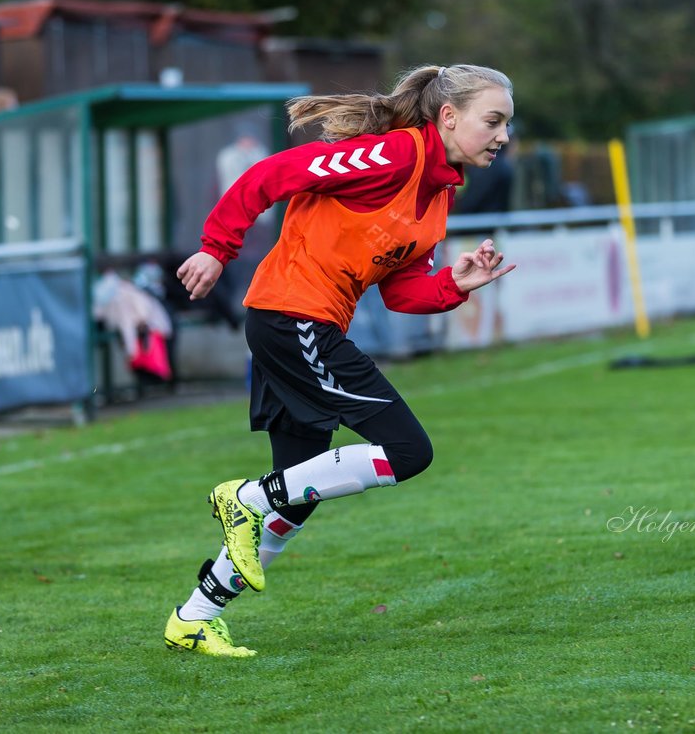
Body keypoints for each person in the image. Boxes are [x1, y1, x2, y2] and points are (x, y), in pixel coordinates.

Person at [164, 64, 516, 657]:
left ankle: (196, 617)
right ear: (449, 118)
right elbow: (273, 174)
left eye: (507, 122)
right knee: (408, 452)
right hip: (292, 319)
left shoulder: (438, 193)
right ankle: (247, 497)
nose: (504, 135)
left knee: (297, 495)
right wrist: (216, 249)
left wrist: (456, 284)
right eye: (494, 120)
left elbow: (403, 292)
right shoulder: (394, 157)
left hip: (296, 324)